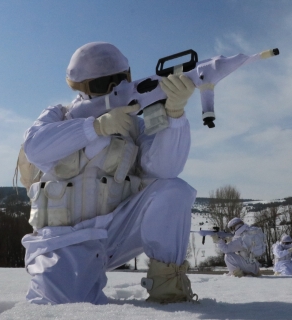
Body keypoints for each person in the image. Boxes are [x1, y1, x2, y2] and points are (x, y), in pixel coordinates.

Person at [20, 42, 198, 305]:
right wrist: (95, 127)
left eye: (121, 80)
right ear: (80, 87)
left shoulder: (135, 126)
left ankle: (169, 287)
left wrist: (174, 115)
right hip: (63, 241)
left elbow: (166, 169)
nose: (115, 90)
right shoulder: (59, 117)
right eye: (103, 84)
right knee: (64, 311)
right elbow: (34, 147)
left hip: (116, 232)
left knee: (174, 190)